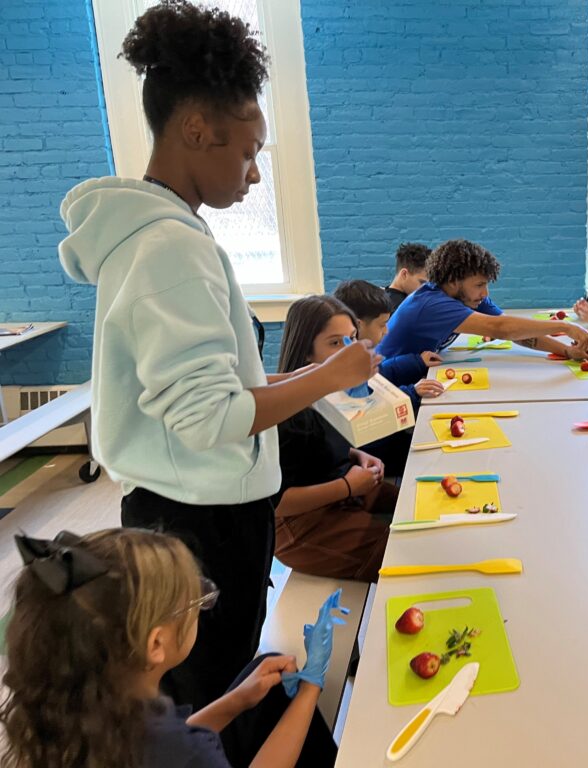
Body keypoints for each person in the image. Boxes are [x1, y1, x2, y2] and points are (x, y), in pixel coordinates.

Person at [57, 0, 377, 718]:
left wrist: (308, 379)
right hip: (195, 523)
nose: (255, 173)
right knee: (199, 697)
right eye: (248, 150)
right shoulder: (168, 246)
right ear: (197, 130)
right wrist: (328, 376)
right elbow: (209, 419)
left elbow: (227, 390)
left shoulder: (164, 236)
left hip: (201, 510)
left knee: (215, 680)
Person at [0, 528, 340, 768]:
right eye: (193, 602)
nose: (198, 608)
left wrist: (235, 702)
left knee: (263, 675)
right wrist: (311, 687)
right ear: (156, 643)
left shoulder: (81, 714)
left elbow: (174, 742)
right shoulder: (181, 750)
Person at [275, 295, 397, 581]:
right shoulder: (288, 416)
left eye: (352, 339)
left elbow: (323, 448)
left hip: (343, 490)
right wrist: (346, 486)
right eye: (334, 343)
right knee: (401, 554)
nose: (348, 352)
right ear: (306, 352)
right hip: (304, 522)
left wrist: (357, 455)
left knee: (416, 504)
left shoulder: (333, 393)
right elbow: (278, 503)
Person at [376, 238, 588, 360]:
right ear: (453, 281)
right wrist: (565, 328)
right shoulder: (432, 303)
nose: (485, 293)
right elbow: (503, 328)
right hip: (386, 390)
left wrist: (566, 351)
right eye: (479, 285)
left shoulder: (469, 298)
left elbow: (516, 333)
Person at [334, 279, 445, 408]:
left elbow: (381, 374)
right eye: (382, 325)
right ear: (357, 325)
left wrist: (417, 362)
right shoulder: (347, 369)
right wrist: (413, 393)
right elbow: (372, 409)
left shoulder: (359, 353)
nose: (386, 331)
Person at [384, 242, 431, 313]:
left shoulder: (384, 299)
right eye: (422, 282)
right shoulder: (400, 308)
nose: (426, 289)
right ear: (404, 274)